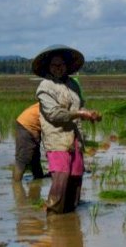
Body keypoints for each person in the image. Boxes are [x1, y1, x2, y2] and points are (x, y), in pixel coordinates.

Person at [32, 44, 101, 215]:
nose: (58, 68)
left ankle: (71, 220)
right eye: (55, 65)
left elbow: (80, 108)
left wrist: (91, 115)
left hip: (75, 138)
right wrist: (79, 114)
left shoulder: (73, 85)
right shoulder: (45, 87)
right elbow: (55, 114)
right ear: (48, 67)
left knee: (76, 177)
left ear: (67, 66)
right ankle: (54, 215)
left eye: (61, 65)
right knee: (61, 178)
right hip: (57, 138)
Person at [13, 102, 45, 182]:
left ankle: (39, 179)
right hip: (27, 125)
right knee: (23, 158)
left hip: (31, 125)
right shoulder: (54, 102)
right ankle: (16, 183)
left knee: (35, 157)